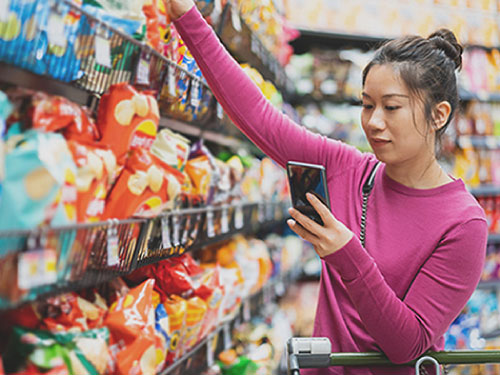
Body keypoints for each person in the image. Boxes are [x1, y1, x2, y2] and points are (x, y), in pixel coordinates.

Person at [164, 1, 488, 374]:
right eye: (367, 105)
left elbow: (407, 344)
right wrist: (186, 17)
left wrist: (346, 254)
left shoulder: (464, 224)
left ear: (439, 114)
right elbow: (258, 116)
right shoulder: (347, 168)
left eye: (391, 107)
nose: (374, 122)